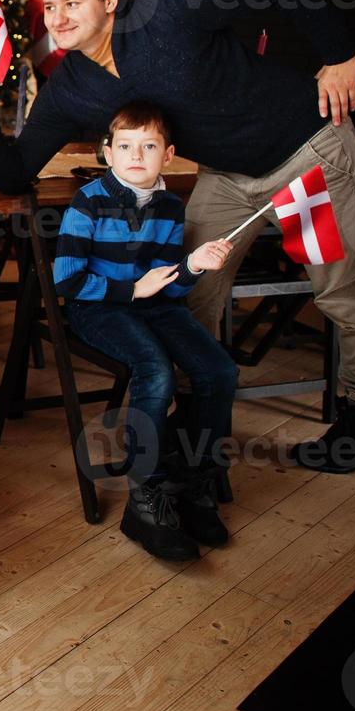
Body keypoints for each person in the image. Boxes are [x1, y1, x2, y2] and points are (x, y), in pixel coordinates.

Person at [0, 0, 355, 474]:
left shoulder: (170, 10)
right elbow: (16, 172)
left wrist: (340, 56)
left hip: (307, 151)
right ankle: (192, 417)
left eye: (72, 1)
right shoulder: (69, 88)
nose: (58, 18)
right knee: (185, 287)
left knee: (341, 290)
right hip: (227, 177)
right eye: (50, 6)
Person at [55, 102, 238, 561]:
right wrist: (130, 290)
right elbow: (67, 280)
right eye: (126, 146)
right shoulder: (88, 201)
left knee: (219, 370)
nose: (137, 155)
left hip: (155, 304)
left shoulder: (172, 206)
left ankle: (192, 481)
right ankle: (146, 496)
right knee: (155, 370)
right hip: (97, 306)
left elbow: (168, 286)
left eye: (149, 146)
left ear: (168, 154)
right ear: (108, 153)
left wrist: (192, 267)